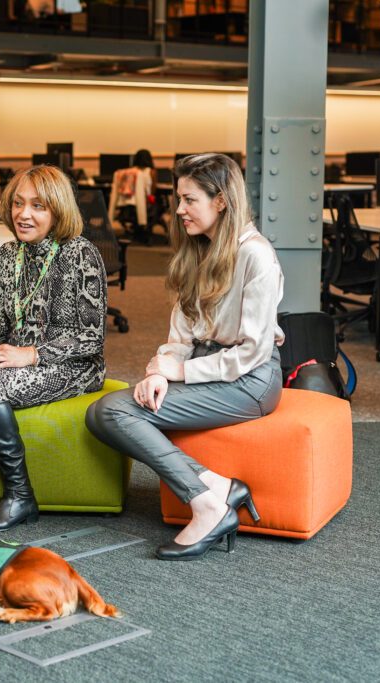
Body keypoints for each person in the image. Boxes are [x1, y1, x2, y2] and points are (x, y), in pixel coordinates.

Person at [86, 153, 284, 561]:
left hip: (249, 379)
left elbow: (253, 351)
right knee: (103, 413)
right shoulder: (198, 250)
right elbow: (181, 332)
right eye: (180, 199)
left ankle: (207, 504)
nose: (178, 210)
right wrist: (163, 370)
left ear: (222, 201)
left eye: (189, 200)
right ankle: (217, 487)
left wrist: (181, 371)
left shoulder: (257, 256)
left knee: (116, 413)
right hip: (203, 368)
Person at [0, 165, 107, 533]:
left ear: (58, 210)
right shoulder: (6, 255)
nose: (23, 214)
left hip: (73, 365)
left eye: (37, 206)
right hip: (12, 359)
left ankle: (19, 496)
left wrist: (31, 355)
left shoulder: (80, 254)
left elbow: (92, 338)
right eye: (18, 203)